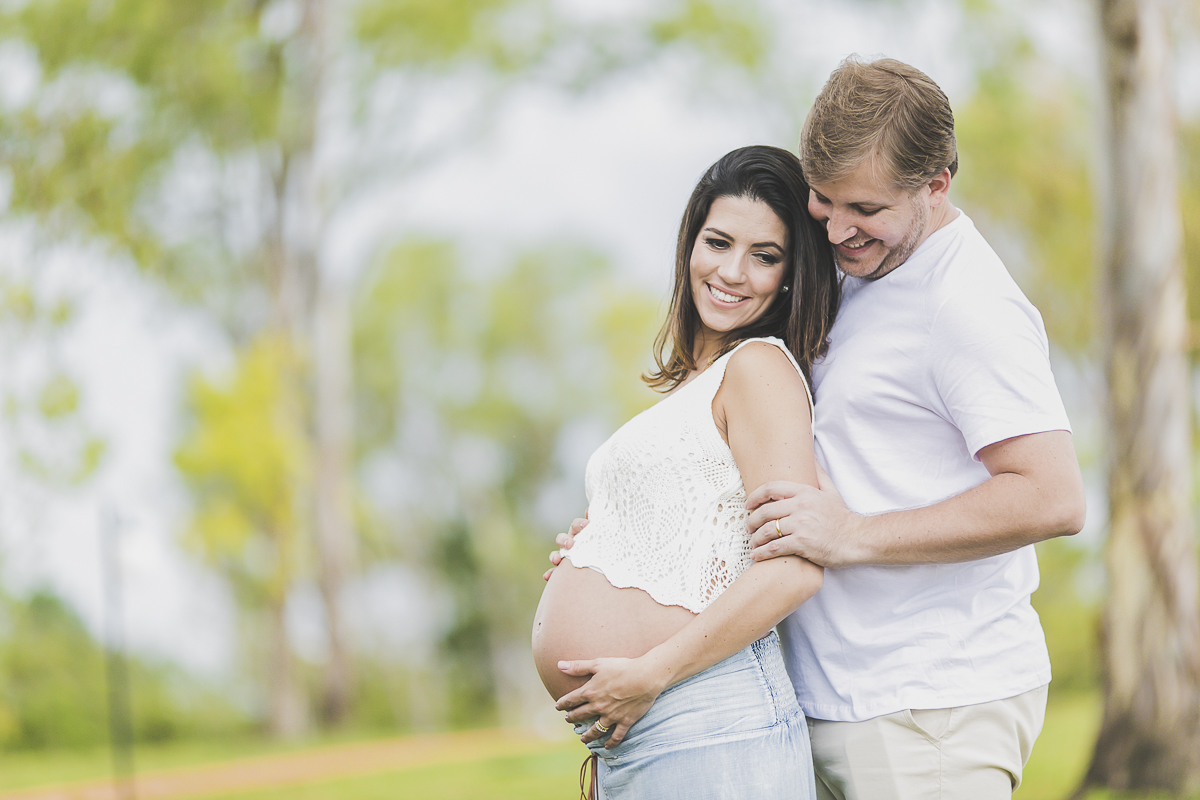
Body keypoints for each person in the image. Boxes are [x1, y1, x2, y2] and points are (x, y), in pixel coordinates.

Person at [552, 56, 1087, 799]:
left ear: (936, 185)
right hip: (820, 698)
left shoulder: (967, 306)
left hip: (927, 707)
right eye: (823, 199)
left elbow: (1053, 497)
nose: (836, 228)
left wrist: (854, 535)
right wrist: (642, 543)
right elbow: (776, 463)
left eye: (863, 208)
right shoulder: (853, 270)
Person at [532, 144, 839, 799]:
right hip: (655, 732)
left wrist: (650, 673)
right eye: (718, 242)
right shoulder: (704, 381)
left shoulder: (758, 368)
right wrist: (605, 546)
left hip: (704, 720)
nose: (732, 271)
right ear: (689, 245)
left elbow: (794, 568)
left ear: (791, 274)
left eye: (765, 255)